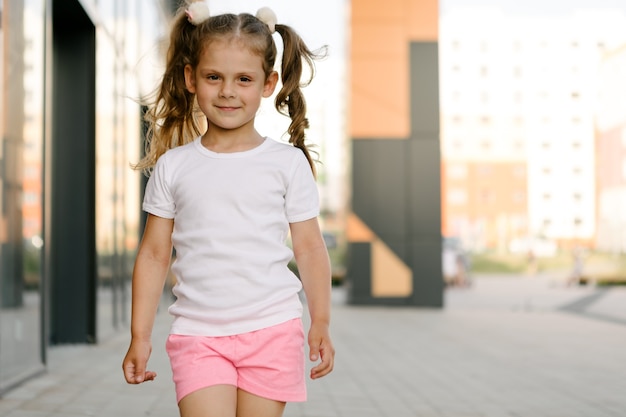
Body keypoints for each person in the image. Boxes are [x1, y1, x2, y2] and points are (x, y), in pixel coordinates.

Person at [122, 2, 335, 416]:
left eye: (244, 79)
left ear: (268, 83)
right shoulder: (174, 166)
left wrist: (321, 322)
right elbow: (153, 254)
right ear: (190, 78)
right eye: (213, 77)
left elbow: (309, 249)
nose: (227, 91)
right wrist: (139, 335)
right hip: (197, 336)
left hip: (273, 330)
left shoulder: (287, 164)